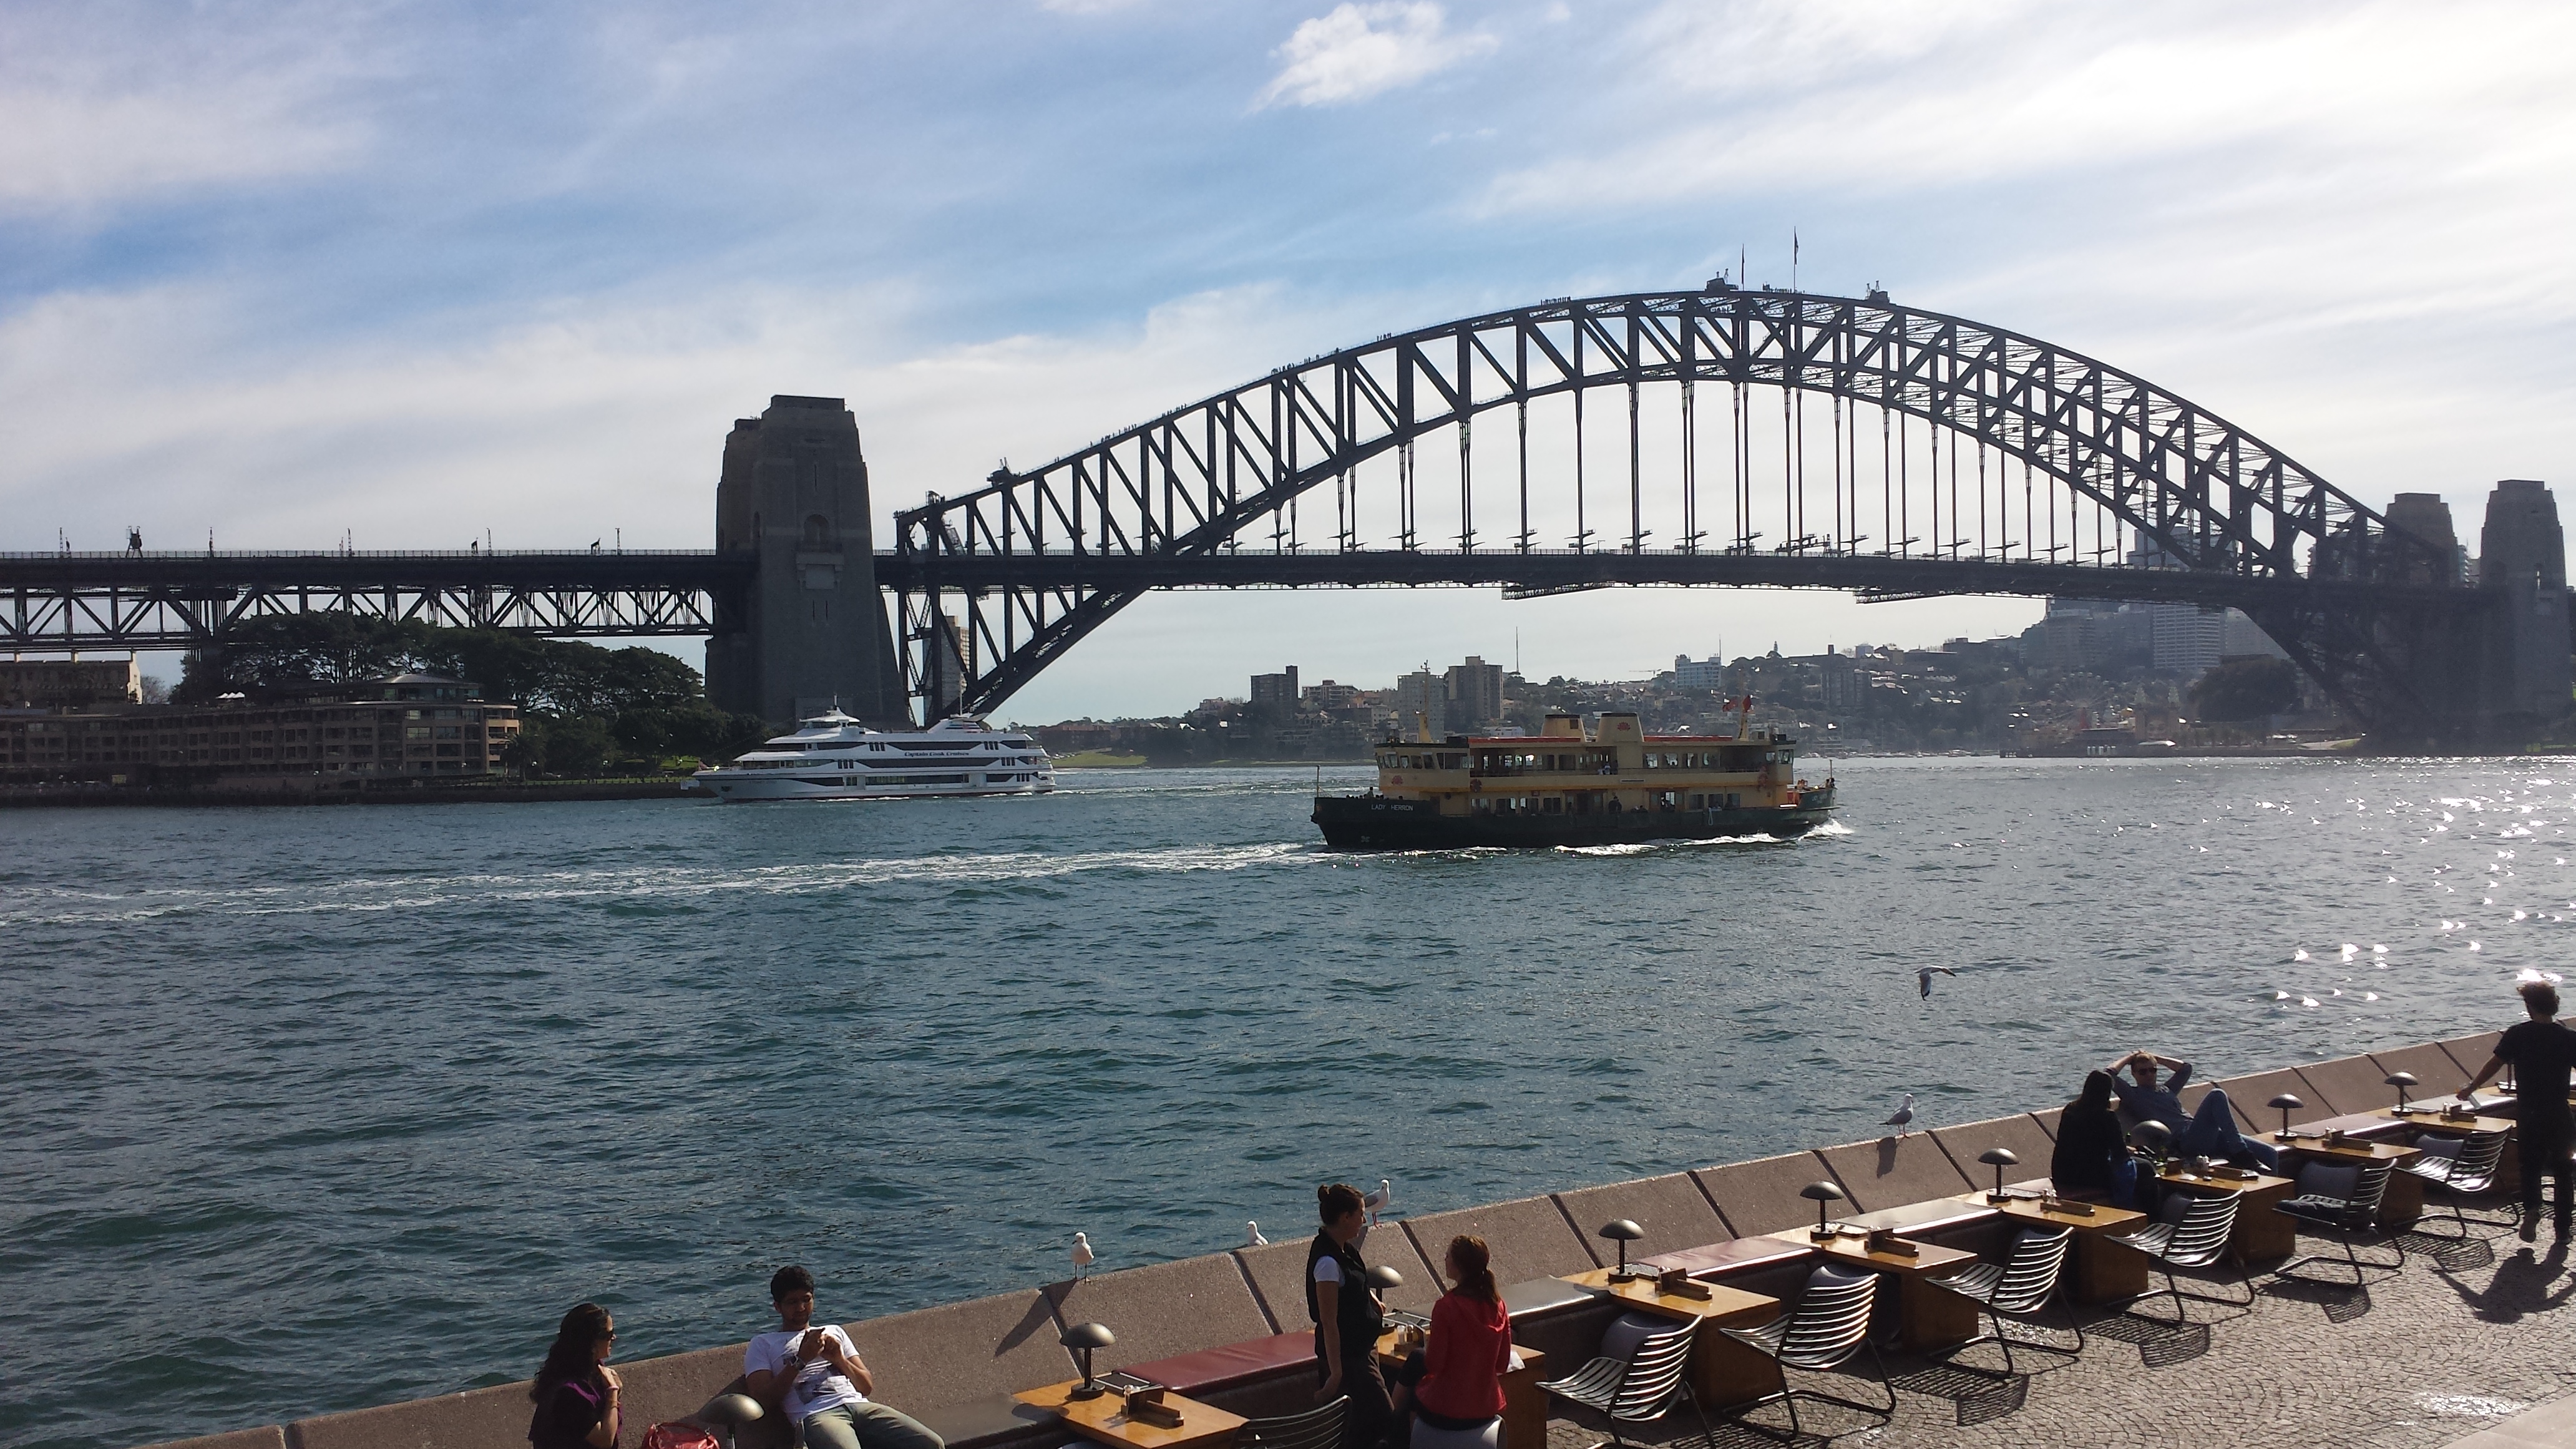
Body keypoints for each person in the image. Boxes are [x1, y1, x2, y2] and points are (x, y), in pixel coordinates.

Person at [746, 1266, 945, 1449]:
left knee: (932, 1444)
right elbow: (763, 1400)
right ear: (777, 1307)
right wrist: (800, 1360)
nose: (801, 1308)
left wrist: (839, 1359)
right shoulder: (763, 1343)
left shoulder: (834, 1331)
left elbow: (866, 1387)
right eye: (792, 1302)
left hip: (860, 1406)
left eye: (806, 1300)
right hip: (817, 1415)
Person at [2462, 980, 2576, 1239]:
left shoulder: (2518, 1034)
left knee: (2530, 1167)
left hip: (2529, 1111)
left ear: (2530, 1006)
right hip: (2559, 1112)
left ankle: (2532, 1209)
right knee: (2563, 1171)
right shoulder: (2569, 1037)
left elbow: (2495, 1064)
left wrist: (2471, 1087)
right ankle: (2563, 1230)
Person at [1308, 1183, 1394, 1449]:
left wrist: (1373, 1301)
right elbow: (1329, 1321)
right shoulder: (1327, 1263)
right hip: (1348, 1359)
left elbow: (1357, 1281)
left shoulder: (1346, 1250)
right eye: (1360, 1214)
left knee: (1365, 1426)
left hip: (1363, 1350)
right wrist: (1335, 1374)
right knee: (1380, 1418)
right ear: (1345, 1218)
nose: (1364, 1220)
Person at [1409, 1237, 1511, 1449]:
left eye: (1447, 1256)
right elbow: (1502, 1364)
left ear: (1457, 1266)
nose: (1444, 1259)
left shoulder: (1446, 1307)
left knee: (1412, 1394)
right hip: (1486, 1407)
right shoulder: (1499, 1306)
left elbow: (1435, 1364)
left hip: (1447, 1409)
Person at [2105, 1049, 2280, 1172]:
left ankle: (2274, 1201)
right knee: (2217, 1095)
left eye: (2153, 1070)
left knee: (2270, 1154)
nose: (2149, 1074)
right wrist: (2130, 1057)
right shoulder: (2134, 1096)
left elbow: (2186, 1069)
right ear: (2134, 1074)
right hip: (2186, 1141)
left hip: (2207, 1134)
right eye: (2143, 1072)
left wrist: (2155, 1057)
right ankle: (2241, 1152)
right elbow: (2108, 1075)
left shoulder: (2167, 1089)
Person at [528, 1302, 622, 1449]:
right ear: (591, 1342)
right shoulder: (569, 1393)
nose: (614, 1338)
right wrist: (613, 1392)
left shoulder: (588, 1369)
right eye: (608, 1334)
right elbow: (605, 1441)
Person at [2051, 1070, 2142, 1208]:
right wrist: (2130, 1151)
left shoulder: (2070, 1110)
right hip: (2092, 1176)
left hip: (2063, 1174)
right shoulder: (2107, 1116)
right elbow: (2120, 1154)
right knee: (2144, 1169)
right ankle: (2144, 1213)